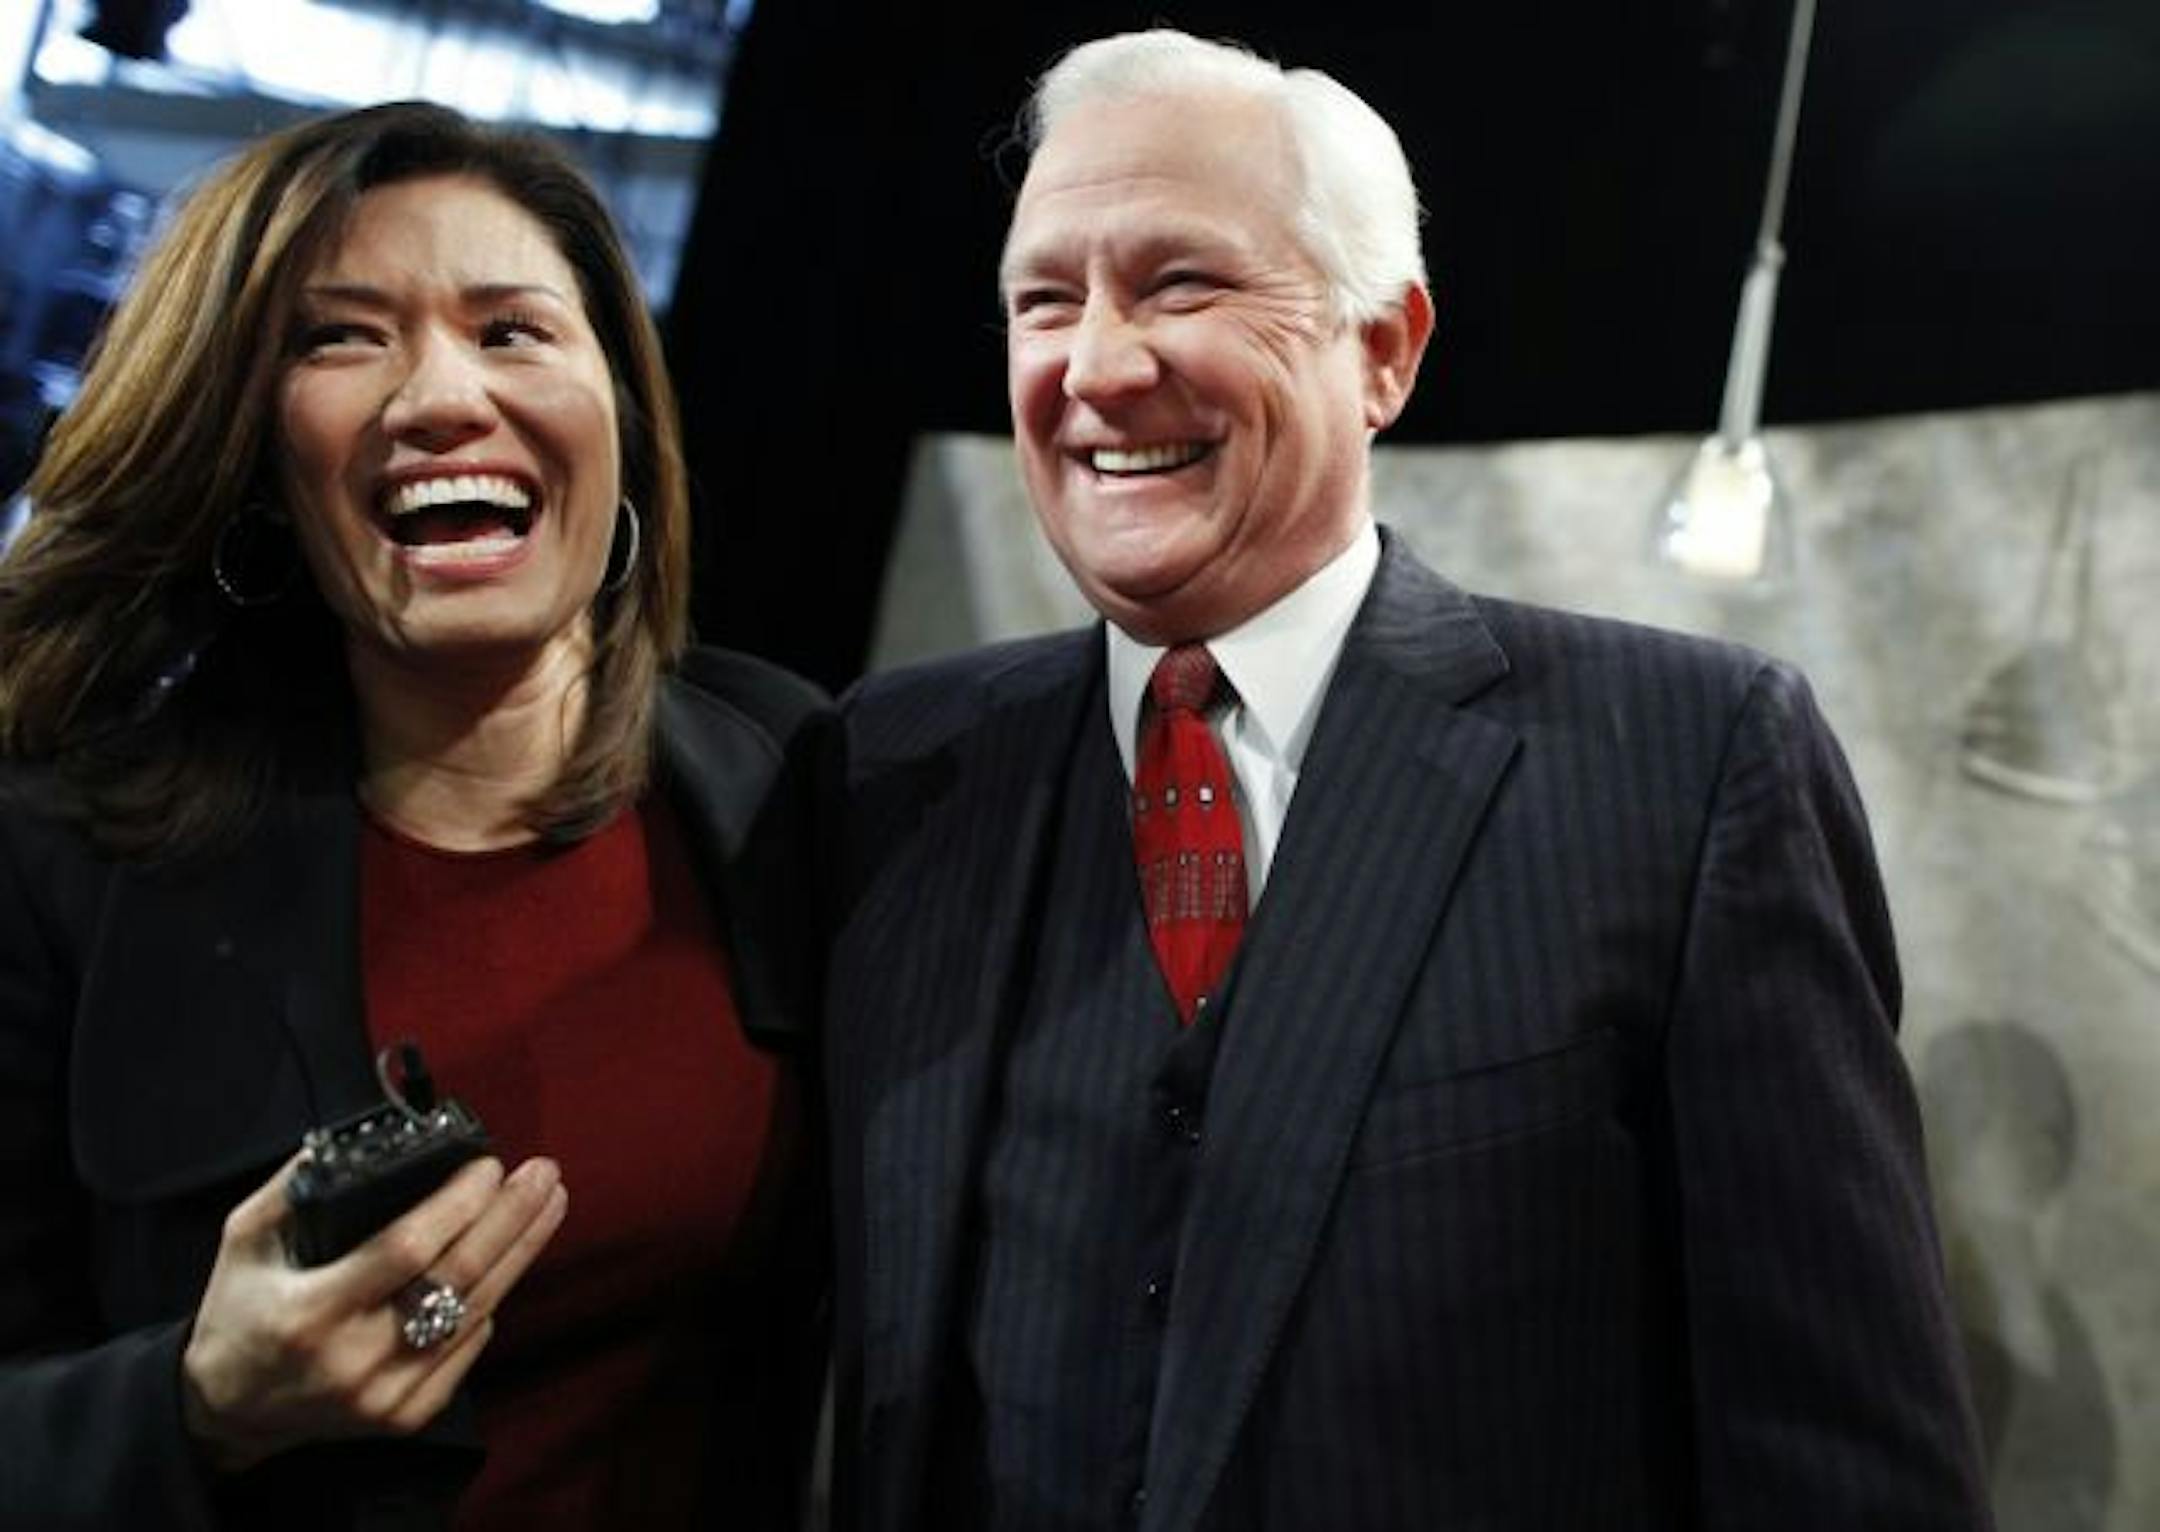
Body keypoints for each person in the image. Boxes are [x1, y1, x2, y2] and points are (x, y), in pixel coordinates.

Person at [822, 29, 1993, 1530]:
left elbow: (1846, 1468)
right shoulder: (888, 774)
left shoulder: (1690, 764)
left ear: (1383, 349)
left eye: (1182, 285)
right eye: (1045, 301)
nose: (1097, 366)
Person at [0, 103, 827, 1529]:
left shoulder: (796, 780)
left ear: (620, 411)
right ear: (257, 453)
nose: (442, 395)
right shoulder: (57, 857)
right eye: (342, 337)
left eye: (513, 329)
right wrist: (196, 1407)